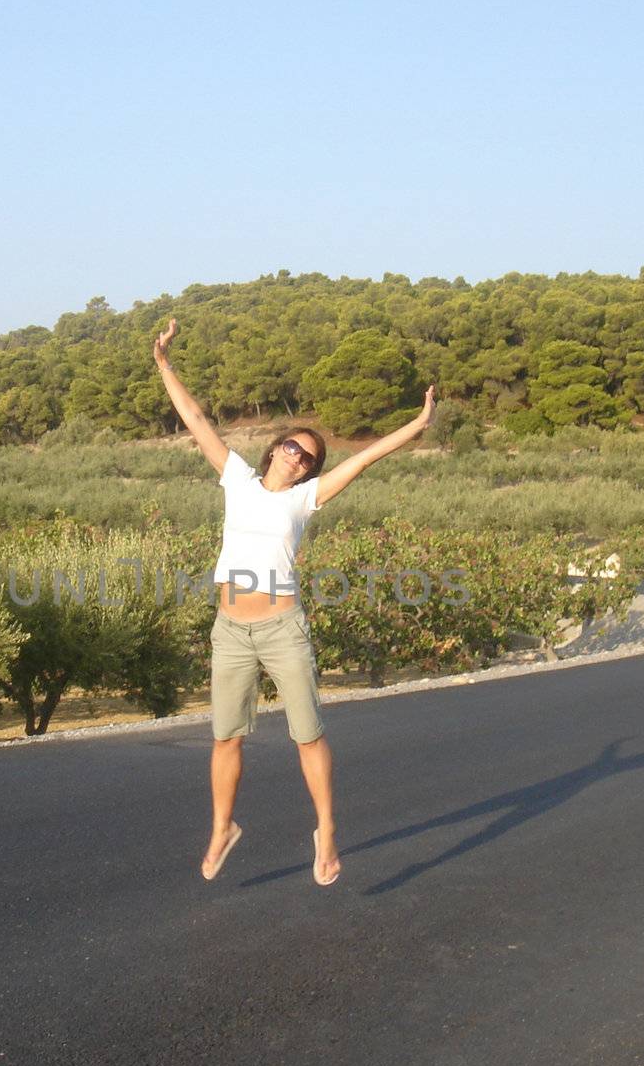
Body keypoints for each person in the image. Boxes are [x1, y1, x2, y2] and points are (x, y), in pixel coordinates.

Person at [152, 316, 436, 887]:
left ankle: (326, 832)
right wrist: (162, 362)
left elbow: (365, 459)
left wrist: (420, 422)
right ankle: (222, 828)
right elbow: (197, 420)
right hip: (230, 628)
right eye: (291, 447)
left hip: (282, 627)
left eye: (308, 457)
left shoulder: (307, 499)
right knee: (225, 736)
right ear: (274, 448)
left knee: (307, 734)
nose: (298, 458)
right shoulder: (235, 478)